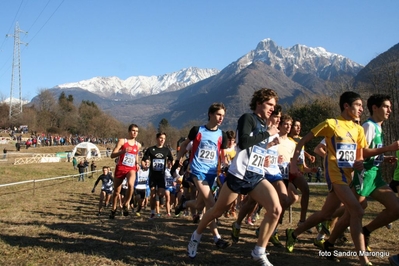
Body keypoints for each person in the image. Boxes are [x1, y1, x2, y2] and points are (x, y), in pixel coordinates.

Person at [185, 90, 281, 265]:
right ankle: (195, 237)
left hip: (256, 175)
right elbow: (243, 143)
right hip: (239, 176)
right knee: (216, 211)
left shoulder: (262, 123)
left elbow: (254, 147)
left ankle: (259, 251)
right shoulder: (248, 118)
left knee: (275, 210)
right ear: (259, 102)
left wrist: (267, 147)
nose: (272, 109)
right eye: (270, 105)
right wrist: (268, 133)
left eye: (274, 106)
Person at [286, 91, 371, 266]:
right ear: (346, 106)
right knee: (357, 210)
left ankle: (293, 234)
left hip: (348, 177)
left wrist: (359, 163)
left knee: (325, 214)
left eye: (362, 106)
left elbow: (360, 155)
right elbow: (302, 142)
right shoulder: (331, 124)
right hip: (335, 174)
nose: (362, 109)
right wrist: (294, 164)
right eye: (358, 105)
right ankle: (363, 260)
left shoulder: (359, 129)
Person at [326, 94, 399, 253]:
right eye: (386, 107)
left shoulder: (378, 127)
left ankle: (366, 231)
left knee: (396, 209)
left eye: (390, 107)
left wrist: (384, 158)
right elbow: (361, 153)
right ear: (375, 108)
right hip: (363, 176)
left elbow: (371, 152)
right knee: (351, 213)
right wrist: (389, 148)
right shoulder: (368, 126)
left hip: (375, 176)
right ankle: (329, 242)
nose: (390, 110)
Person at [172, 102, 230, 258]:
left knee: (199, 205)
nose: (221, 118)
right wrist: (178, 160)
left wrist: (226, 166)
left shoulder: (222, 135)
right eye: (218, 115)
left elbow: (222, 156)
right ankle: (215, 237)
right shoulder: (198, 130)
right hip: (197, 171)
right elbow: (184, 145)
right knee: (211, 204)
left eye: (223, 116)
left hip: (211, 174)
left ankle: (184, 203)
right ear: (210, 114)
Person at [109, 124, 141, 219]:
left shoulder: (138, 145)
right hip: (121, 168)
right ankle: (113, 209)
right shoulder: (122, 141)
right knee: (116, 192)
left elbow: (136, 155)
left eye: (137, 131)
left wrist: (137, 163)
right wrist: (123, 151)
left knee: (131, 185)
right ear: (129, 131)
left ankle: (126, 204)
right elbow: (112, 155)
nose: (135, 133)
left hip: (131, 168)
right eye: (133, 130)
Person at [142, 132, 174, 220]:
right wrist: (144, 165)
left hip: (161, 175)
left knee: (160, 194)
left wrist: (170, 163)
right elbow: (144, 158)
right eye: (160, 138)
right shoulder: (151, 149)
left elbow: (171, 159)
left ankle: (157, 195)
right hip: (153, 175)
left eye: (164, 138)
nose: (162, 140)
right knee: (152, 194)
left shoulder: (166, 150)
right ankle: (152, 213)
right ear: (157, 138)